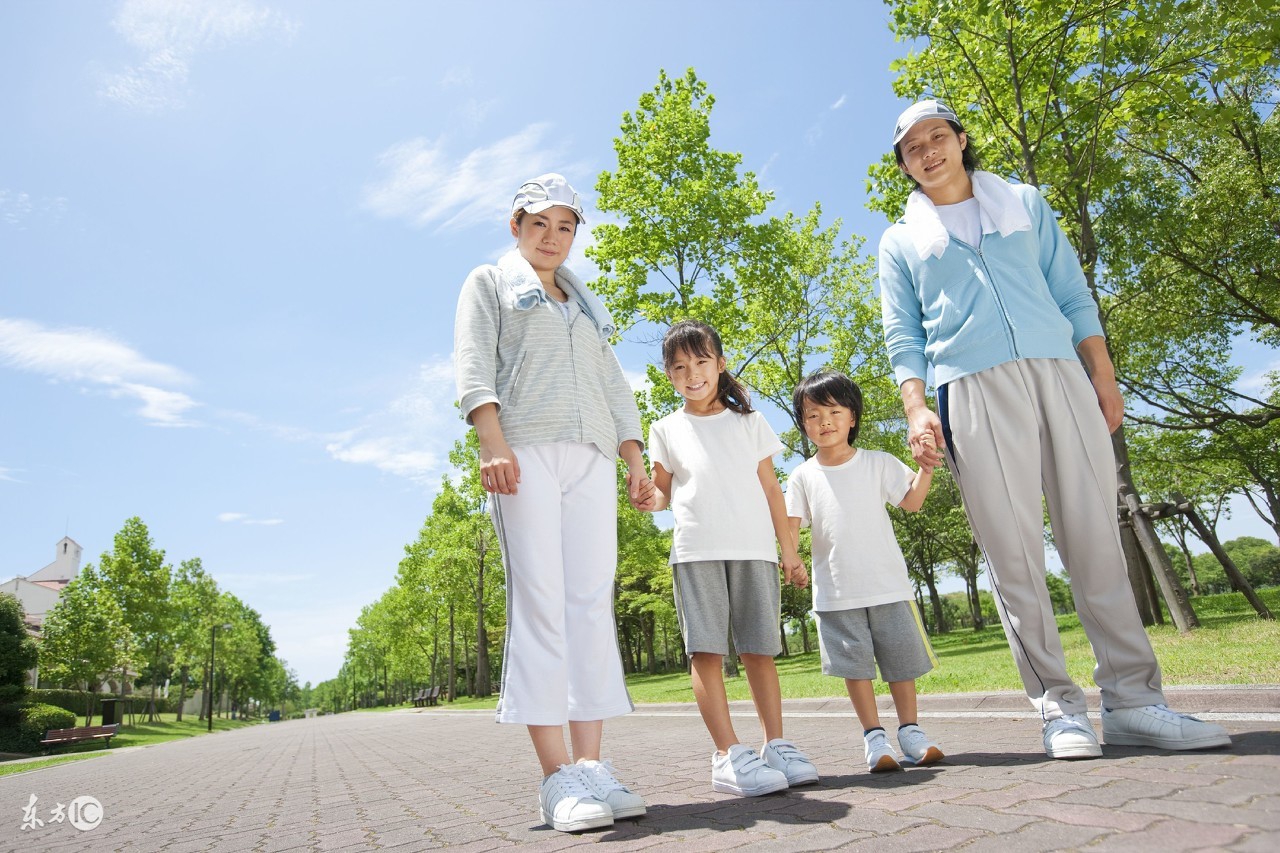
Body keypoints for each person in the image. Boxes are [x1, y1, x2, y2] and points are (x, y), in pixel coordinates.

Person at [878, 99, 1231, 758]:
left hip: (1058, 370)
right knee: (1013, 555)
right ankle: (1058, 708)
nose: (928, 152)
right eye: (912, 148)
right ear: (903, 164)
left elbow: (1071, 291)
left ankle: (1135, 702)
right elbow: (904, 334)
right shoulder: (900, 241)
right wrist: (915, 406)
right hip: (971, 387)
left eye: (937, 137)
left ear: (960, 139)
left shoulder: (1025, 203)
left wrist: (1101, 373)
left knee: (1097, 537)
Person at [453, 172, 654, 832]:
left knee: (590, 603)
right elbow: (473, 362)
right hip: (524, 450)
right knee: (540, 600)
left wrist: (634, 459)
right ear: (516, 225)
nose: (552, 236)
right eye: (539, 222)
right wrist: (491, 438)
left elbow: (614, 386)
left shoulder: (585, 303)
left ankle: (591, 764)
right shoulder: (489, 282)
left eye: (565, 225)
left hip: (592, 456)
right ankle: (554, 776)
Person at [644, 319, 819, 796]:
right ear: (668, 375)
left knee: (760, 650)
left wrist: (789, 550)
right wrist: (646, 498)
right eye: (680, 367)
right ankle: (727, 754)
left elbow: (770, 488)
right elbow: (661, 496)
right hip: (696, 551)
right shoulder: (664, 429)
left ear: (720, 365)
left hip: (754, 550)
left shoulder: (750, 422)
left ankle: (775, 745)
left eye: (702, 362)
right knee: (706, 651)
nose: (692, 373)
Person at [786, 370, 945, 772]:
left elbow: (911, 503)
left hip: (888, 585)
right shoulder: (802, 475)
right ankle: (874, 738)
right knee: (855, 670)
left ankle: (911, 732)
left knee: (901, 664)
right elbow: (790, 524)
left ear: (853, 416)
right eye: (812, 415)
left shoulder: (878, 463)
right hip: (836, 593)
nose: (824, 422)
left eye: (834, 411)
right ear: (803, 424)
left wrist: (926, 469)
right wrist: (792, 558)